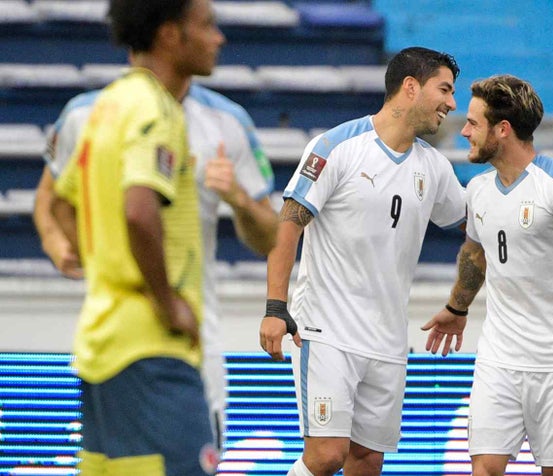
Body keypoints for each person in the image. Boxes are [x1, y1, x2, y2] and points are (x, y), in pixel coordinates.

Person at [34, 82, 279, 452]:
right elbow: (52, 199)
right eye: (206, 28)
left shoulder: (226, 121)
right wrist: (57, 242)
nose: (216, 47)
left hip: (193, 345)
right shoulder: (88, 112)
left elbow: (268, 237)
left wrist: (239, 198)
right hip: (119, 337)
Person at [258, 46, 466, 476]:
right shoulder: (337, 146)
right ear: (411, 87)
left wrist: (459, 304)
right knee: (326, 455)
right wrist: (276, 307)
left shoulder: (434, 167)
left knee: (367, 461)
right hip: (327, 329)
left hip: (388, 339)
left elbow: (476, 228)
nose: (451, 103)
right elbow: (288, 224)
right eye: (444, 90)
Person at [48, 0, 226, 474]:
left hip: (103, 341)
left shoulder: (108, 104)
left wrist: (106, 264)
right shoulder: (157, 108)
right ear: (170, 34)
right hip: (151, 348)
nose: (218, 38)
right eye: (206, 25)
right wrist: (166, 303)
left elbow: (60, 203)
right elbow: (139, 211)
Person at [423, 74, 553, 476]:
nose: (465, 132)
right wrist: (456, 308)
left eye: (473, 123)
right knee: (485, 468)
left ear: (503, 129)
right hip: (499, 360)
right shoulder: (478, 189)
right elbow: (476, 252)